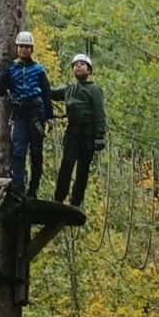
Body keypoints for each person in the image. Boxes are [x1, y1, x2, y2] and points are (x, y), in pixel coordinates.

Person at [0, 30, 54, 198]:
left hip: (36, 113)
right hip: (20, 114)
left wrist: (49, 117)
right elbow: (1, 90)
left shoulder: (38, 69)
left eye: (27, 47)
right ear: (17, 48)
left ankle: (33, 189)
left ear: (31, 49)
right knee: (19, 151)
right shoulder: (11, 69)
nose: (23, 50)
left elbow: (46, 93)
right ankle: (18, 188)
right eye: (21, 47)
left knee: (36, 152)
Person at [50, 52, 107, 209]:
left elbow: (99, 113)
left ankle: (76, 202)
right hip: (72, 132)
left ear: (89, 70)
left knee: (82, 169)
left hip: (88, 134)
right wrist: (39, 84)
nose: (78, 66)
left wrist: (99, 135)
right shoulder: (69, 89)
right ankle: (58, 198)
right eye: (76, 65)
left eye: (82, 64)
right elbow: (52, 93)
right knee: (66, 164)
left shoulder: (94, 89)